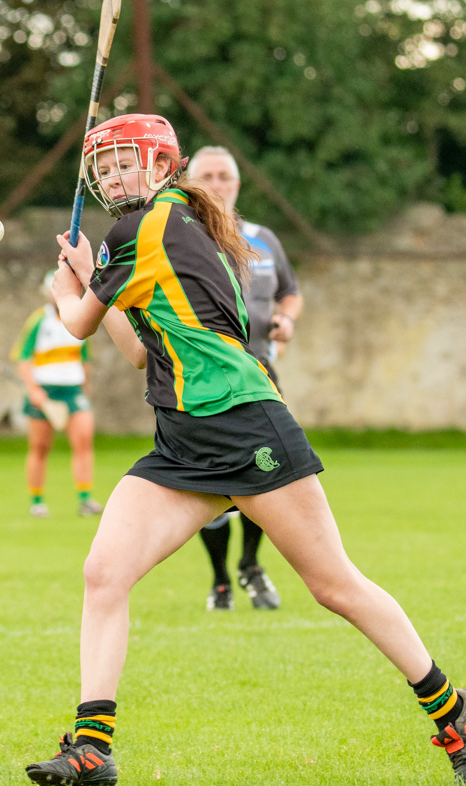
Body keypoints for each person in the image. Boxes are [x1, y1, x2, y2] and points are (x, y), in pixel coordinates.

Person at [23, 113, 466, 786]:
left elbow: (74, 324)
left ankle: (453, 710)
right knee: (104, 573)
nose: (111, 177)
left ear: (161, 167)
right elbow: (131, 351)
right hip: (182, 441)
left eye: (125, 163)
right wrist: (91, 276)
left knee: (334, 586)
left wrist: (73, 281)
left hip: (243, 424)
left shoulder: (143, 227)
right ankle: (93, 745)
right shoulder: (170, 222)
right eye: (103, 167)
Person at [187, 145, 304, 612]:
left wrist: (287, 320)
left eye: (224, 177)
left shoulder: (263, 239)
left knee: (268, 474)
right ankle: (219, 581)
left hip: (260, 374)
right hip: (200, 381)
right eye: (206, 176)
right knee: (209, 482)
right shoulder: (182, 238)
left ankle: (250, 565)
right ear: (188, 183)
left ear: (237, 184)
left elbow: (291, 293)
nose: (217, 184)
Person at [10, 270, 104, 517]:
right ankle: (37, 502)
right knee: (40, 447)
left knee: (83, 441)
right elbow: (22, 359)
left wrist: (85, 387)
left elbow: (84, 358)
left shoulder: (81, 319)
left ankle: (85, 500)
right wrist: (34, 391)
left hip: (73, 391)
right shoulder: (38, 320)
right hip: (45, 392)